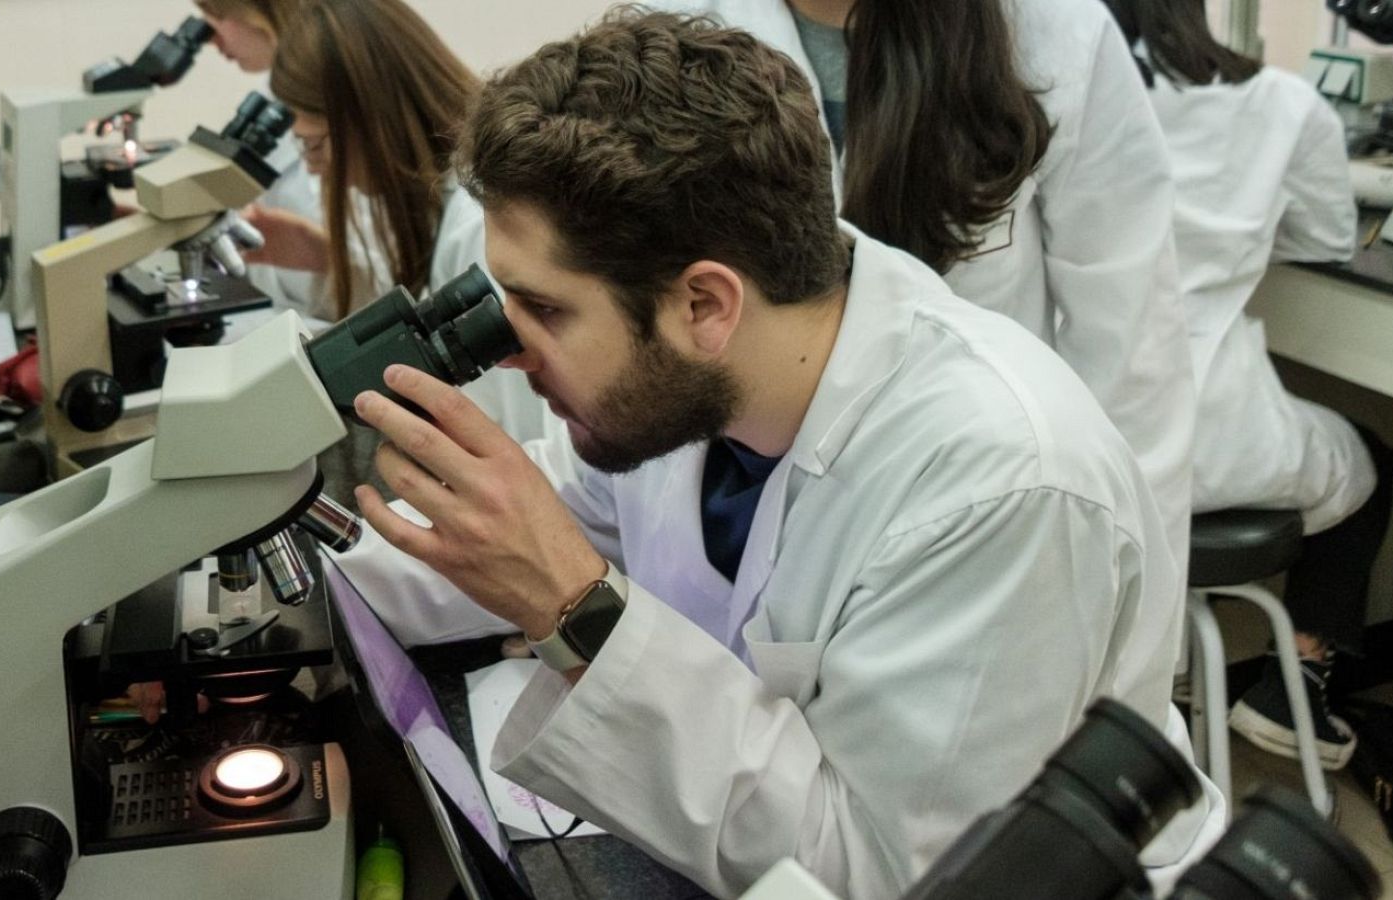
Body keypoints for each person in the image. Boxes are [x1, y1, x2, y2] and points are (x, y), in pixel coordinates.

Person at [334, 12, 1223, 898]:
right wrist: (276, 574)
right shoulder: (683, 394)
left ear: (705, 305)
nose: (514, 352)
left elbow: (880, 872)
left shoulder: (998, 484)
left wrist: (572, 608)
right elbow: (509, 530)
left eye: (548, 311)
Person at [645, 0, 1199, 696]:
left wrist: (1128, 661)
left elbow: (1136, 360)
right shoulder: (682, 23)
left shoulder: (1056, 30)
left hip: (980, 522)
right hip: (742, 513)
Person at [1103, 0, 1393, 769]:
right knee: (1374, 458)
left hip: (1085, 437)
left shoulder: (1060, 95)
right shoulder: (1284, 103)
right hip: (1218, 437)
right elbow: (1330, 234)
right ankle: (1294, 681)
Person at [258, 0, 547, 442]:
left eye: (314, 146)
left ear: (370, 121)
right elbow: (423, 317)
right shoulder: (449, 195)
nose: (315, 170)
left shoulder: (479, 225)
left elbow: (519, 429)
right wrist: (329, 262)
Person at [192, 0, 323, 313]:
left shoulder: (326, 104)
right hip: (290, 307)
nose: (209, 38)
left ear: (257, 12)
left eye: (216, 17)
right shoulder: (271, 99)